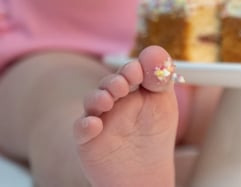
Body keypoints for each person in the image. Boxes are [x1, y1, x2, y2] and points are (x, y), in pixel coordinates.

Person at [0, 0, 222, 187]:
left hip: (193, 54)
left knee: (240, 109)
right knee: (68, 111)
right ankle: (106, 173)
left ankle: (222, 165)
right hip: (49, 43)